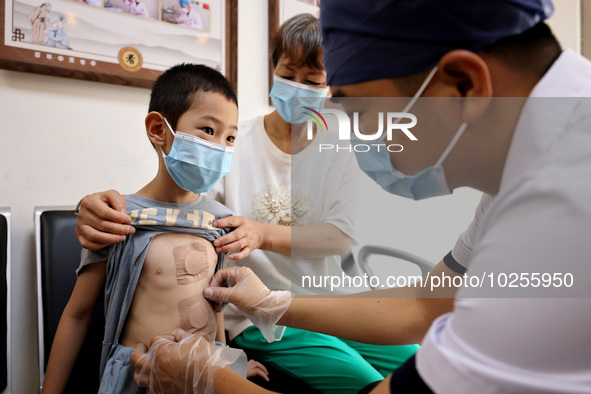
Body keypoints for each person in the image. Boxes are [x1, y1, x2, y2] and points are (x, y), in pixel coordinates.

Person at [128, 0, 591, 393]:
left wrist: (211, 382)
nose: (361, 138)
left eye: (362, 111)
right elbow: (426, 304)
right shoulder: (533, 162)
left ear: (462, 86)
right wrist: (272, 302)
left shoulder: (563, 210)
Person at [74, 13, 419, 393]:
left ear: (329, 85)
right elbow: (180, 204)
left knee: (419, 360)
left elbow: (340, 237)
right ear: (273, 70)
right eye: (288, 74)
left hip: (328, 302)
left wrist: (260, 233)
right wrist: (97, 206)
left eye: (313, 81)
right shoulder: (232, 143)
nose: (298, 87)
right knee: (368, 382)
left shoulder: (340, 146)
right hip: (256, 317)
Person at [41, 64, 254, 394]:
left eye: (230, 137)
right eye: (208, 131)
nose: (221, 147)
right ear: (158, 129)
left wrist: (226, 362)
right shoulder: (115, 217)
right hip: (138, 377)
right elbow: (78, 315)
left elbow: (217, 304)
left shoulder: (222, 221)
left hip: (204, 378)